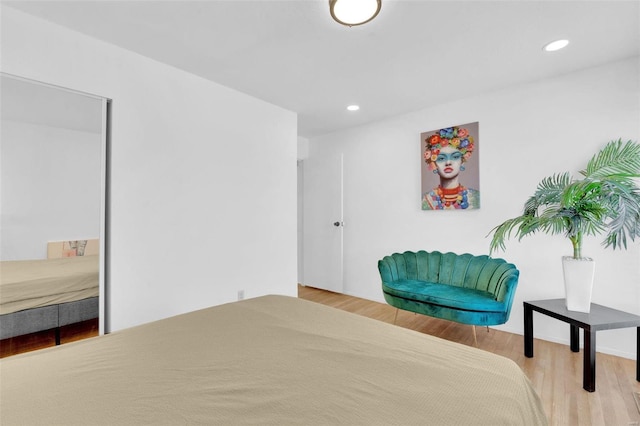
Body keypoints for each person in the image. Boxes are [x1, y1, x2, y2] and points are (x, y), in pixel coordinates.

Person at [422, 126, 480, 210]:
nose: (448, 162)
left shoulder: (476, 197)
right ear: (434, 163)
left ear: (462, 161)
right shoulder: (425, 200)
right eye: (441, 158)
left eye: (455, 157)